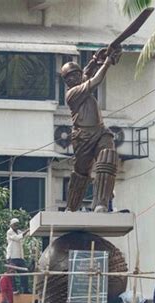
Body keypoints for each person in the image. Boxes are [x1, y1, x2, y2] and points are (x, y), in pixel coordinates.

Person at [60, 48, 122, 213]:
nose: (73, 78)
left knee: (107, 157)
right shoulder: (73, 94)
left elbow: (87, 71)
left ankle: (101, 203)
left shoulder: (81, 81)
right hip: (83, 137)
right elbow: (95, 80)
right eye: (69, 78)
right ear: (66, 82)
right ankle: (72, 207)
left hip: (100, 131)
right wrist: (107, 63)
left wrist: (96, 59)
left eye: (75, 74)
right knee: (81, 173)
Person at [6, 218, 30, 293]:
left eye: (17, 224)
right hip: (12, 256)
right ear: (11, 225)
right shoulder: (9, 232)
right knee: (12, 274)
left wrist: (30, 229)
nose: (16, 226)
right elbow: (17, 238)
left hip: (20, 256)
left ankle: (25, 290)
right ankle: (14, 290)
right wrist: (27, 230)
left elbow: (25, 235)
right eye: (15, 224)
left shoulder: (19, 231)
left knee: (24, 273)